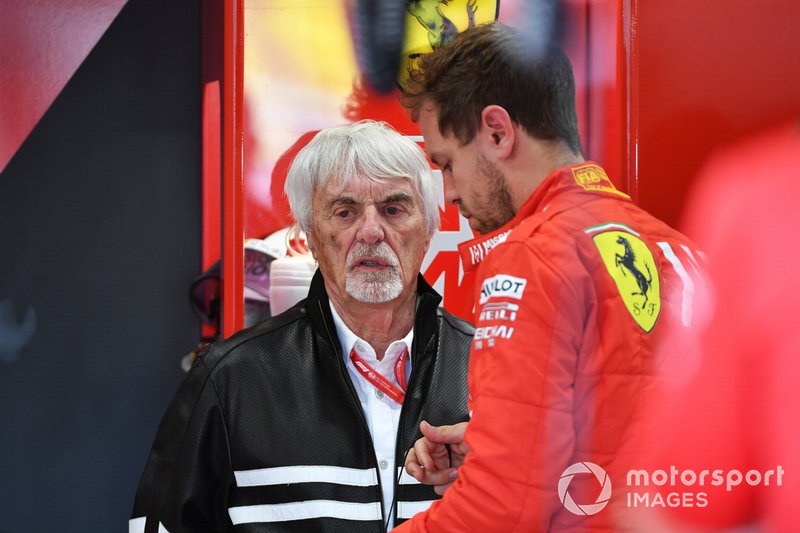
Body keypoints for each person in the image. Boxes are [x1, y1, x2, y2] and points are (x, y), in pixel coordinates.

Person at [392, 22, 705, 532]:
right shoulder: (682, 248)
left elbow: (500, 511)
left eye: (446, 164)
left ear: (497, 131)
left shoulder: (533, 253)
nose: (447, 193)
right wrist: (496, 439)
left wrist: (502, 467)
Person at [129, 120, 474, 533]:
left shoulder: (489, 366)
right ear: (309, 236)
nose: (370, 231)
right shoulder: (232, 379)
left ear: (428, 230)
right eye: (344, 212)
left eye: (393, 209)